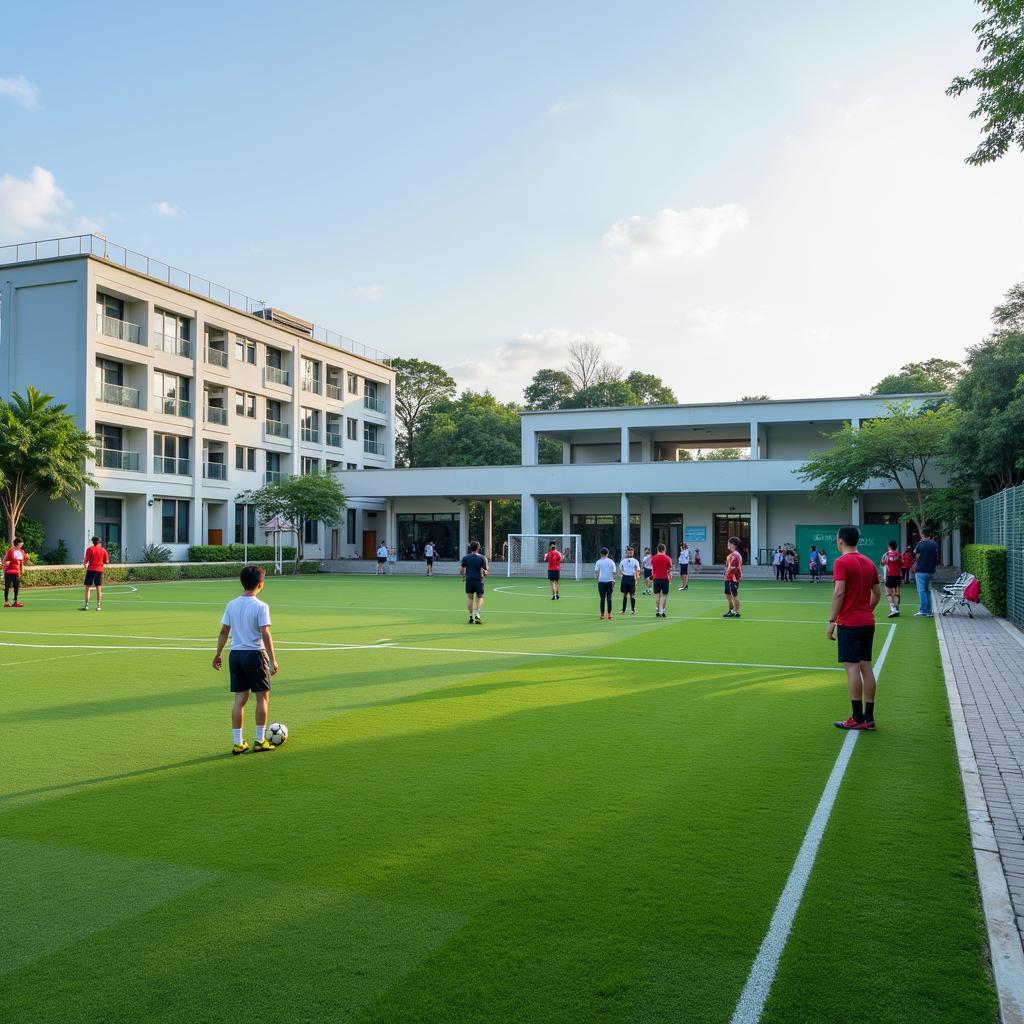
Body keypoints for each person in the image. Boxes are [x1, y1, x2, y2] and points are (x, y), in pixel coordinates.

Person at [212, 564, 279, 755]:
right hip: (254, 655)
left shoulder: (231, 604)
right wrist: (273, 659)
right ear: (261, 584)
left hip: (236, 655)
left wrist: (218, 654)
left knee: (240, 699)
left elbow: (224, 631)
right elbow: (265, 633)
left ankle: (238, 743)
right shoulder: (261, 606)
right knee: (262, 697)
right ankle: (260, 739)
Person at [827, 526, 881, 731]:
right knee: (866, 667)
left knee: (852, 669)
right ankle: (869, 717)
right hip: (868, 622)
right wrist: (867, 609)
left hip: (849, 623)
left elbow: (839, 592)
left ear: (840, 541)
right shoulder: (869, 562)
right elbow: (877, 593)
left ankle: (857, 717)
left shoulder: (841, 562)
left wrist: (832, 620)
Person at [460, 540, 489, 624]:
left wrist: (464, 575)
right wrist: (485, 574)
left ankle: (470, 616)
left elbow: (461, 571)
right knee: (480, 597)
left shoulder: (465, 558)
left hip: (469, 580)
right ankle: (477, 614)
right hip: (479, 581)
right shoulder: (482, 558)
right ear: (478, 548)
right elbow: (486, 571)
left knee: (469, 598)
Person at [913, 528, 939, 617]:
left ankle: (923, 610)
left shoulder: (920, 544)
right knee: (928, 590)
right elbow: (936, 556)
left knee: (922, 591)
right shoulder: (934, 545)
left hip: (920, 570)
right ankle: (929, 611)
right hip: (931, 570)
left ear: (922, 535)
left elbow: (915, 554)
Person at [82, 535, 109, 611]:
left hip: (90, 570)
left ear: (92, 542)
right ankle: (99, 605)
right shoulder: (103, 550)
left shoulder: (89, 549)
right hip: (99, 570)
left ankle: (87, 605)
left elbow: (86, 560)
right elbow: (106, 562)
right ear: (99, 542)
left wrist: (84, 563)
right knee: (98, 587)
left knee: (87, 587)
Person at [880, 540, 903, 618]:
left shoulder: (886, 555)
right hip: (897, 576)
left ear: (889, 546)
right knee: (897, 593)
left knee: (888, 593)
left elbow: (882, 564)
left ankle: (893, 609)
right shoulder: (899, 555)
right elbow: (902, 564)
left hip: (890, 576)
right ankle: (897, 609)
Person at [651, 542, 673, 618]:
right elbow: (669, 569)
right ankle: (662, 610)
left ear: (657, 549)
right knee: (664, 595)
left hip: (656, 578)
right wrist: (670, 575)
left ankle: (657, 610)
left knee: (657, 595)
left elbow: (653, 568)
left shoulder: (653, 558)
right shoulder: (668, 558)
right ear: (665, 549)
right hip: (664, 578)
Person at [723, 536, 743, 618]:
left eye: (729, 543)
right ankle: (731, 611)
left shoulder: (735, 555)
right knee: (728, 594)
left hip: (732, 578)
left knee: (734, 594)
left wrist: (736, 575)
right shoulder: (732, 555)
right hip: (729, 578)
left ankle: (737, 611)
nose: (728, 544)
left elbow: (734, 567)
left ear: (733, 544)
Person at [3, 537, 25, 608]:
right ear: (17, 544)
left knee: (16, 587)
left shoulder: (22, 551)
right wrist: (6, 565)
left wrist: (21, 571)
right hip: (9, 572)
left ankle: (15, 602)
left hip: (16, 573)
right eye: (20, 544)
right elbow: (5, 561)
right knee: (7, 587)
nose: (21, 546)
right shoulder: (10, 551)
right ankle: (6, 602)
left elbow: (21, 562)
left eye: (22, 545)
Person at [595, 546, 616, 620]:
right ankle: (609, 614)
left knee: (602, 598)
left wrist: (598, 579)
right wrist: (614, 581)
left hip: (601, 582)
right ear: (608, 553)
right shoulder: (611, 561)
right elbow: (614, 572)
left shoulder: (598, 562)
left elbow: (597, 572)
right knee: (609, 598)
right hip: (610, 581)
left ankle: (602, 614)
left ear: (600, 553)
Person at [618, 545, 640, 615]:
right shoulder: (623, 561)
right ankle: (625, 610)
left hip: (630, 578)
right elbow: (621, 570)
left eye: (631, 552)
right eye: (629, 552)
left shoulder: (635, 561)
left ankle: (632, 609)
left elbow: (638, 570)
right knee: (625, 594)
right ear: (627, 552)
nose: (630, 553)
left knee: (632, 595)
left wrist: (636, 579)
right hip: (626, 578)